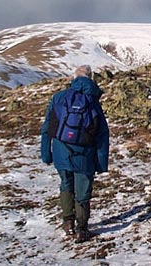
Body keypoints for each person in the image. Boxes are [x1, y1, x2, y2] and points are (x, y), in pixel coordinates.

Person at [40, 65, 109, 243]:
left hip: (61, 151)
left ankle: (68, 223)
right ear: (90, 79)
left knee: (65, 184)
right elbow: (102, 135)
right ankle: (82, 230)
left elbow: (48, 127)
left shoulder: (59, 98)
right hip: (84, 154)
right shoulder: (93, 102)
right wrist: (101, 163)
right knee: (83, 192)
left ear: (74, 78)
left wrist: (46, 153)